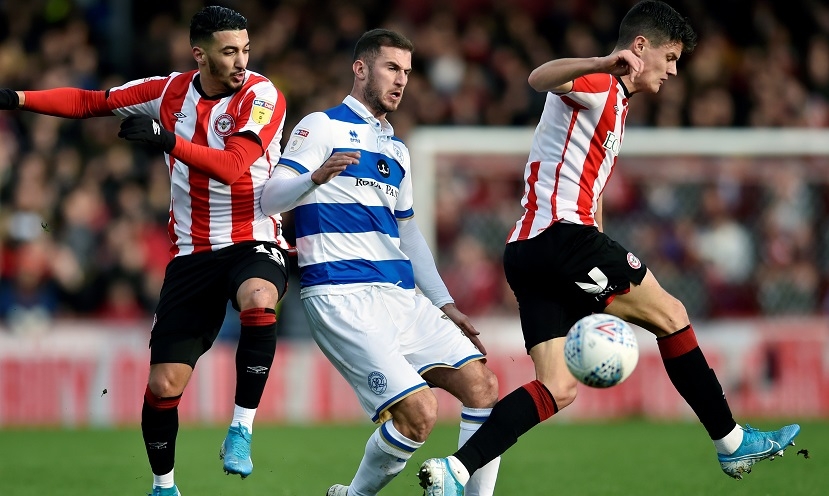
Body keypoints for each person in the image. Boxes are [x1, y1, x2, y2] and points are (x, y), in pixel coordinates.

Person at [418, 1, 801, 494]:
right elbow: (539, 78)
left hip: (527, 251)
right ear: (640, 47)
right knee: (672, 315)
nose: (673, 70)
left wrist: (600, 234)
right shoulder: (601, 83)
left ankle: (454, 470)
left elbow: (590, 185)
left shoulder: (616, 103)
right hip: (563, 238)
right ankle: (731, 441)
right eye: (670, 57)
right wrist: (601, 62)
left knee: (557, 387)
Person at [0, 6, 290, 495]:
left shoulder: (261, 95)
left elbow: (233, 167)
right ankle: (163, 485)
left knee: (259, 299)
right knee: (163, 386)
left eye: (245, 49)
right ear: (200, 55)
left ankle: (241, 428)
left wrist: (165, 139)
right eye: (229, 51)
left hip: (252, 238)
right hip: (192, 253)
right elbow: (91, 102)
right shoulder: (168, 92)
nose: (241, 61)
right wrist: (17, 98)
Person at [260, 29, 501, 496]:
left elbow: (408, 234)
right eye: (392, 67)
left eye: (407, 72)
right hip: (341, 293)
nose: (402, 80)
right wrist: (314, 178)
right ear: (360, 68)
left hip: (401, 296)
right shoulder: (321, 127)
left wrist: (445, 303)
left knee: (484, 387)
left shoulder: (397, 150)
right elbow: (271, 198)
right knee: (419, 414)